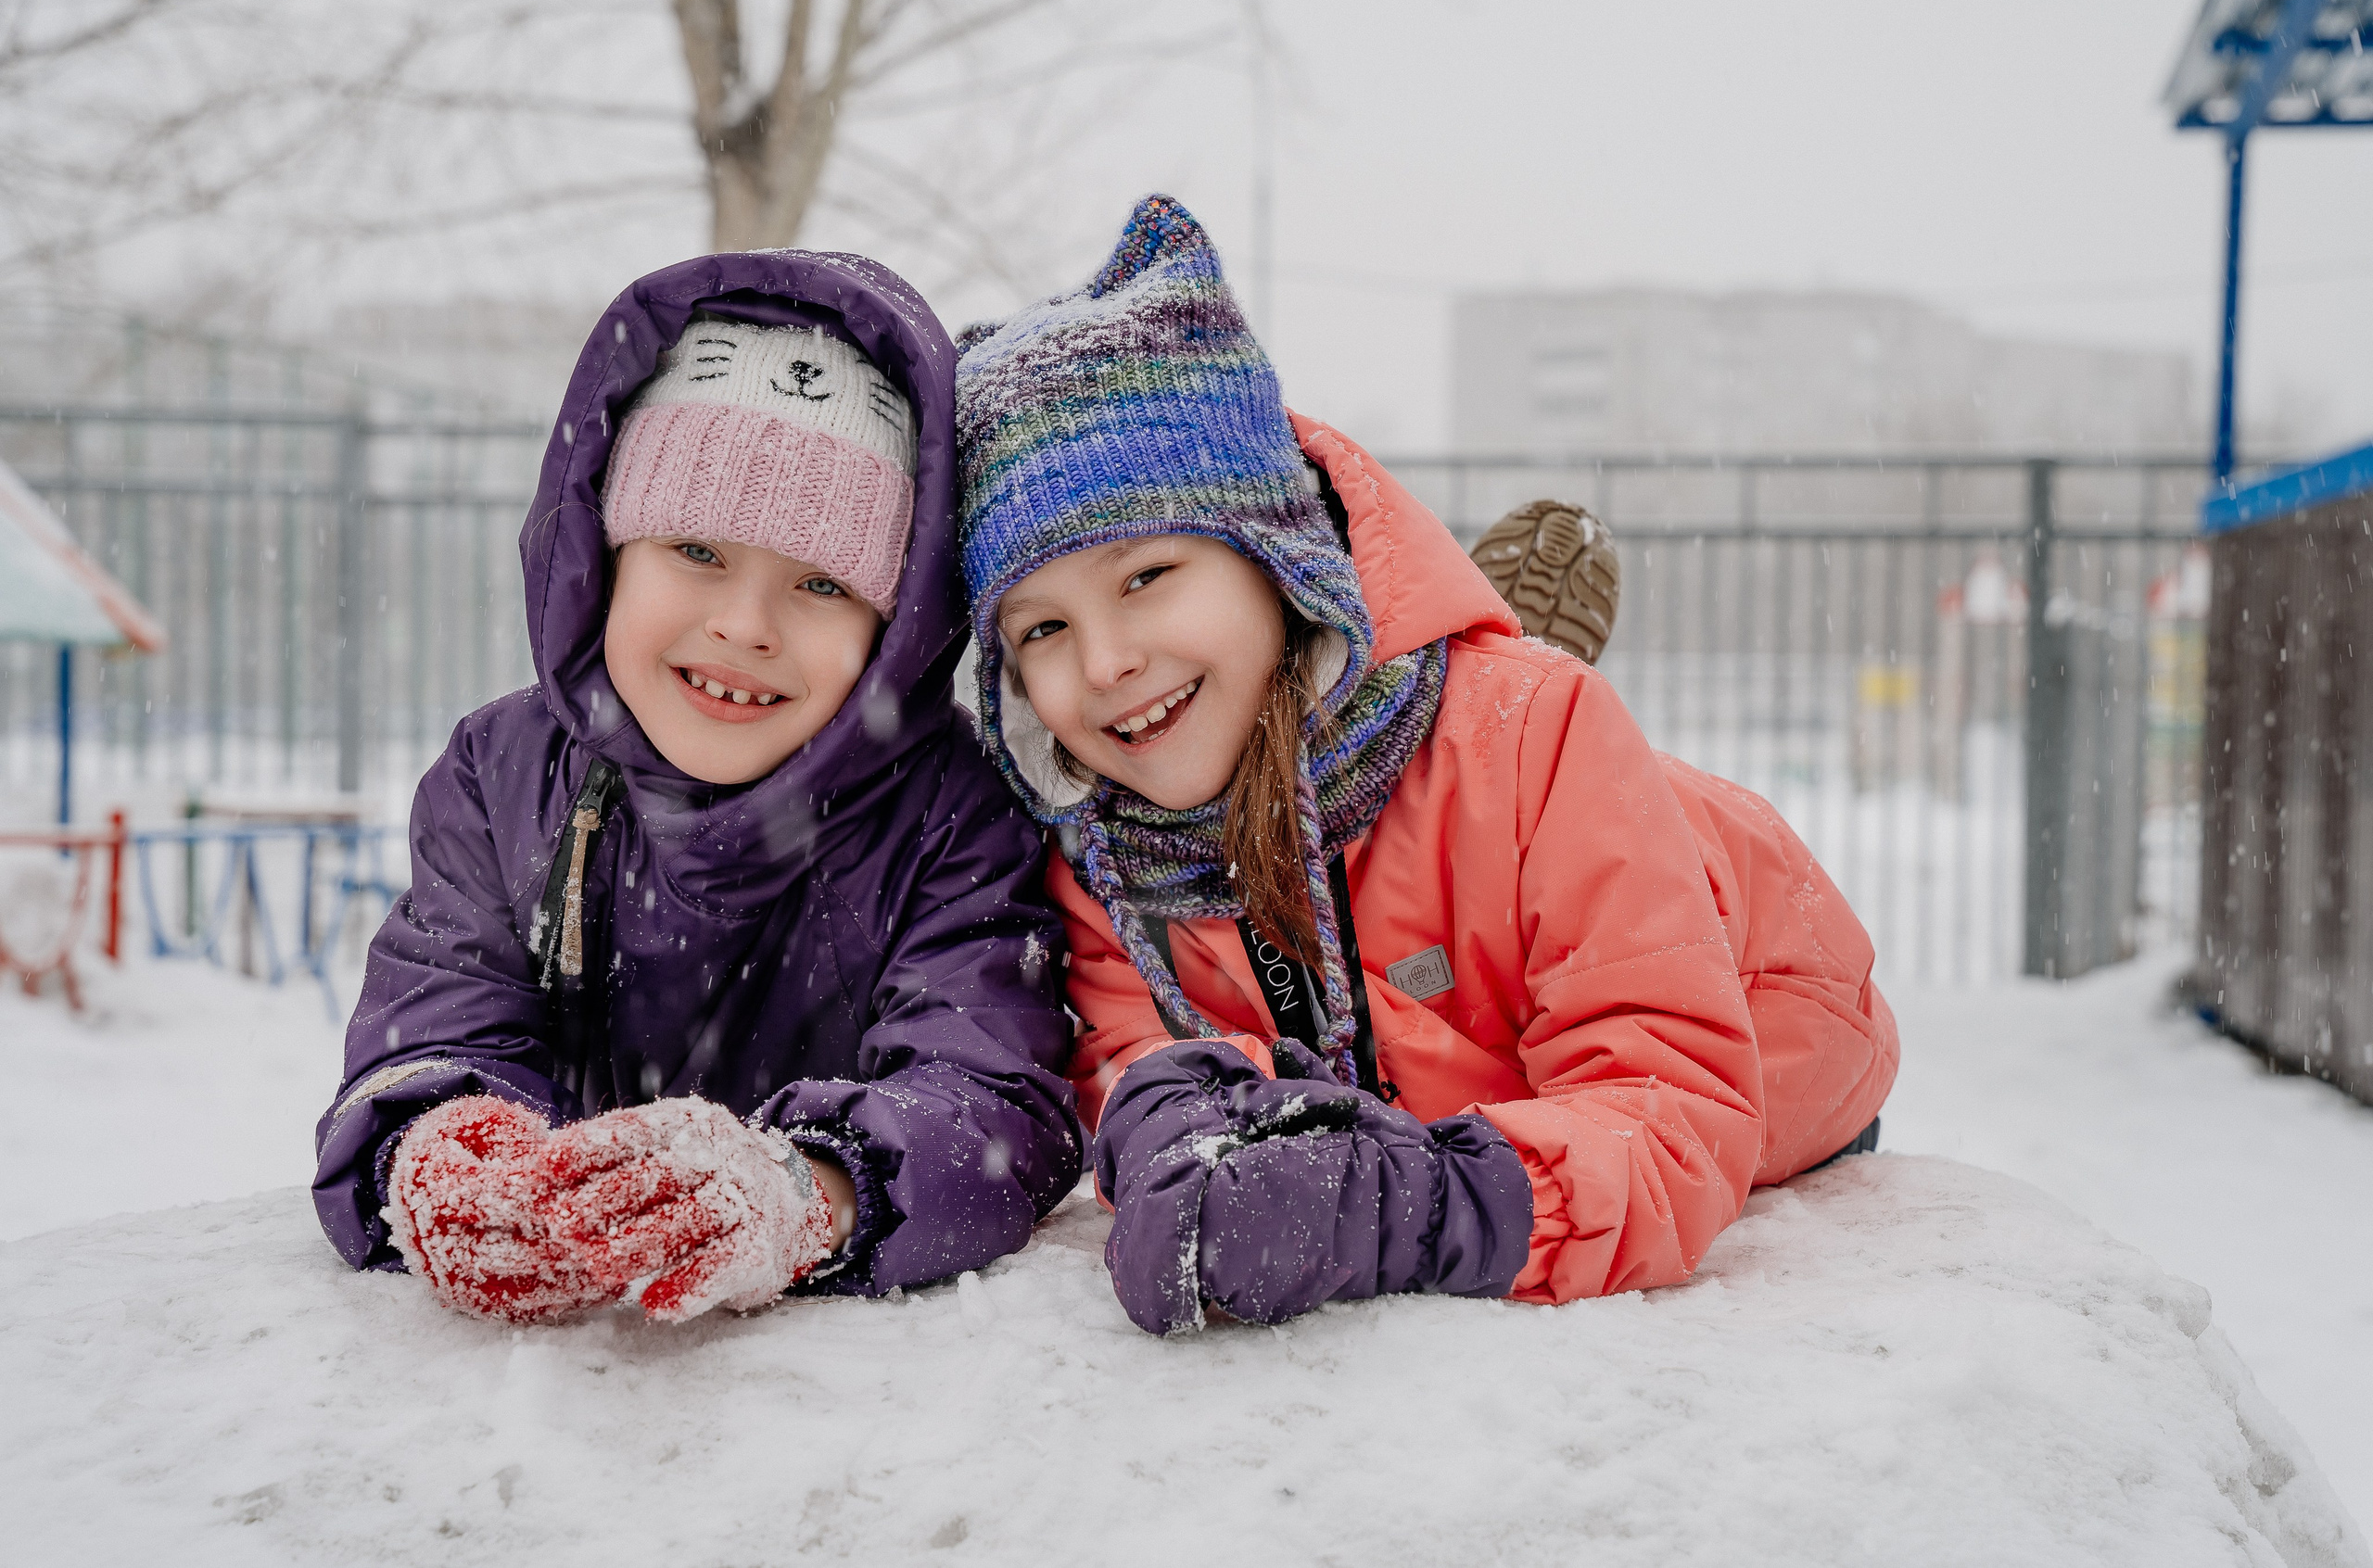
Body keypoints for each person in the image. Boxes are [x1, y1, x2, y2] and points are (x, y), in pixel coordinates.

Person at [954, 196, 1897, 1335]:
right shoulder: (1101, 851)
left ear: (1277, 559)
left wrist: (1392, 1204)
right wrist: (1175, 1136)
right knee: (1434, 905)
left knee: (1518, 754)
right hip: (1427, 958)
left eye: (1148, 576)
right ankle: (1408, 674)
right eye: (1040, 631)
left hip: (1762, 998)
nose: (1103, 663)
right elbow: (1129, 1052)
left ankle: (1454, 670)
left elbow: (1669, 1119)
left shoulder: (1544, 740)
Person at [312, 250, 1080, 1325]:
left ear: (898, 628)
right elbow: (437, 1020)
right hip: (568, 1374)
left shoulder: (954, 815)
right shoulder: (501, 778)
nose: (745, 626)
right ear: (606, 553)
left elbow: (990, 1098)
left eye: (820, 583)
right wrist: (442, 1145)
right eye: (695, 550)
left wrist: (806, 1190)